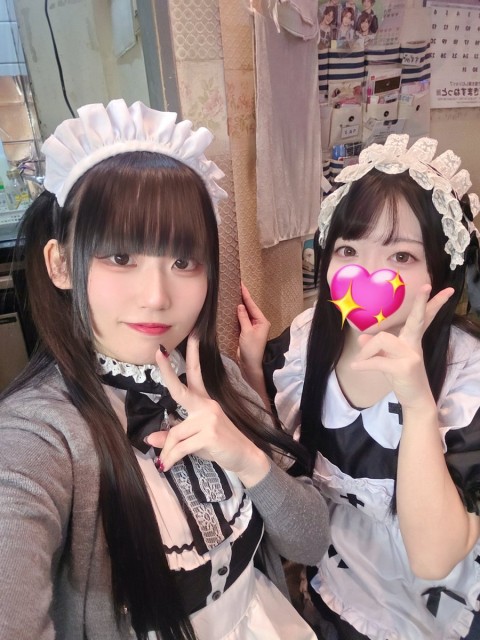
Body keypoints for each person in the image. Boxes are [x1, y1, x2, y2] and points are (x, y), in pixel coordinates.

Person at [0, 99, 331, 639]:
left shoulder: (218, 378)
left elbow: (311, 542)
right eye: (120, 257)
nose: (157, 296)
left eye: (182, 262)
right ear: (61, 264)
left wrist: (247, 458)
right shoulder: (38, 434)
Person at [238, 134, 480, 640]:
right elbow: (287, 463)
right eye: (349, 248)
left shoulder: (467, 379)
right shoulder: (306, 343)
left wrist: (417, 403)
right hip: (343, 586)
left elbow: (435, 557)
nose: (367, 273)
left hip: (442, 606)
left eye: (402, 256)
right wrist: (253, 370)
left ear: (442, 272)